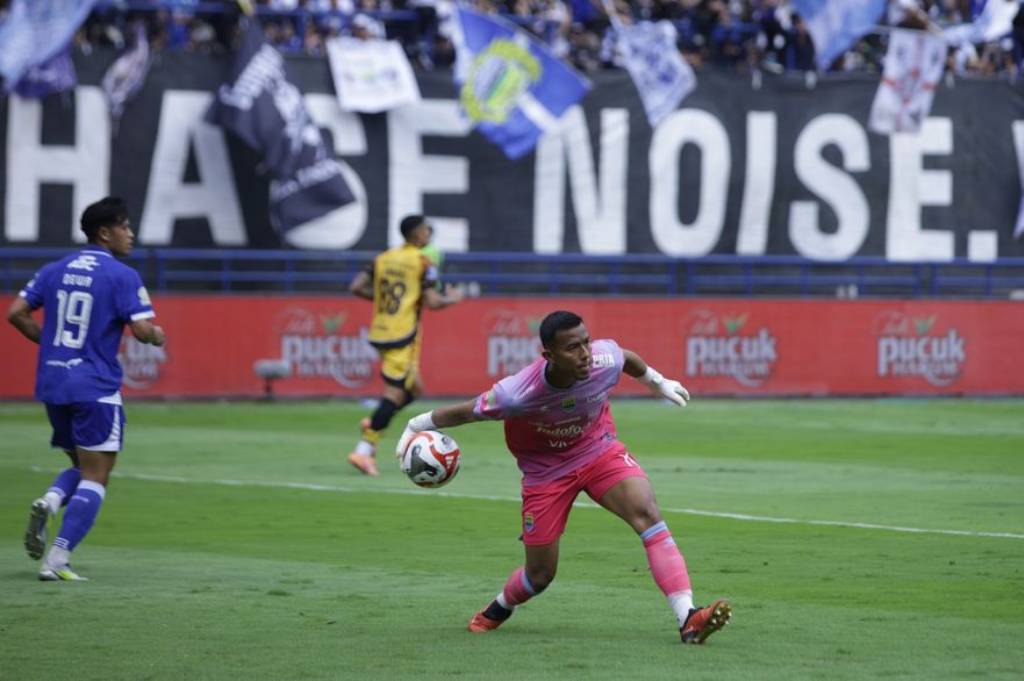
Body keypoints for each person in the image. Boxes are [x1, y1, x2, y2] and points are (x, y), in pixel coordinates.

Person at [395, 310, 732, 643]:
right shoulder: (517, 394)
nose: (585, 354)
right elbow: (465, 412)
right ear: (549, 356)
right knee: (540, 575)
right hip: (546, 475)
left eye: (586, 342)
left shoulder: (603, 359)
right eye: (573, 348)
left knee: (647, 514)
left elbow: (627, 359)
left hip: (598, 450)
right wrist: (415, 425)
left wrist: (659, 383)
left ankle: (688, 618)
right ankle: (500, 607)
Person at [7, 196, 166, 581]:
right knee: (98, 473)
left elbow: (16, 313)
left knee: (81, 465)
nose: (131, 234)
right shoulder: (122, 275)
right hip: (94, 385)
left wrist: (51, 344)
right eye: (125, 226)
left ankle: (51, 500)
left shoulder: (54, 270)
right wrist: (157, 335)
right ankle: (57, 559)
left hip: (53, 383)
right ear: (105, 233)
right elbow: (141, 329)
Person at [345, 214, 463, 476]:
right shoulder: (423, 262)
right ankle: (364, 449)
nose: (428, 234)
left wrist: (383, 301)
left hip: (380, 331)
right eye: (426, 230)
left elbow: (356, 286)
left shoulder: (383, 258)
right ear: (418, 234)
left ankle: (377, 419)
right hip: (403, 335)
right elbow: (433, 301)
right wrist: (453, 298)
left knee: (415, 389)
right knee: (395, 394)